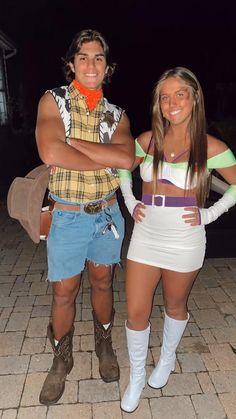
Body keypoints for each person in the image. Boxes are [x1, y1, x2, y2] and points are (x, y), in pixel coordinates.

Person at [118, 67, 236, 413]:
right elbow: (123, 167)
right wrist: (130, 200)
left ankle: (167, 359)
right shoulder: (145, 140)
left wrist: (210, 213)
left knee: (174, 305)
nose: (171, 103)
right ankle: (137, 375)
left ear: (194, 97)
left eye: (179, 94)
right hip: (146, 234)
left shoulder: (212, 147)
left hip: (185, 238)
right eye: (164, 97)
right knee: (136, 311)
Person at [35, 29, 134, 405]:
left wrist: (72, 142)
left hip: (107, 215)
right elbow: (50, 152)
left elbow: (126, 159)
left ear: (107, 67)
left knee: (104, 282)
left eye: (98, 58)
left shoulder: (116, 114)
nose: (90, 64)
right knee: (64, 291)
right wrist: (99, 156)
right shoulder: (53, 101)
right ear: (71, 63)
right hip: (68, 217)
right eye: (83, 57)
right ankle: (61, 361)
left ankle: (104, 346)